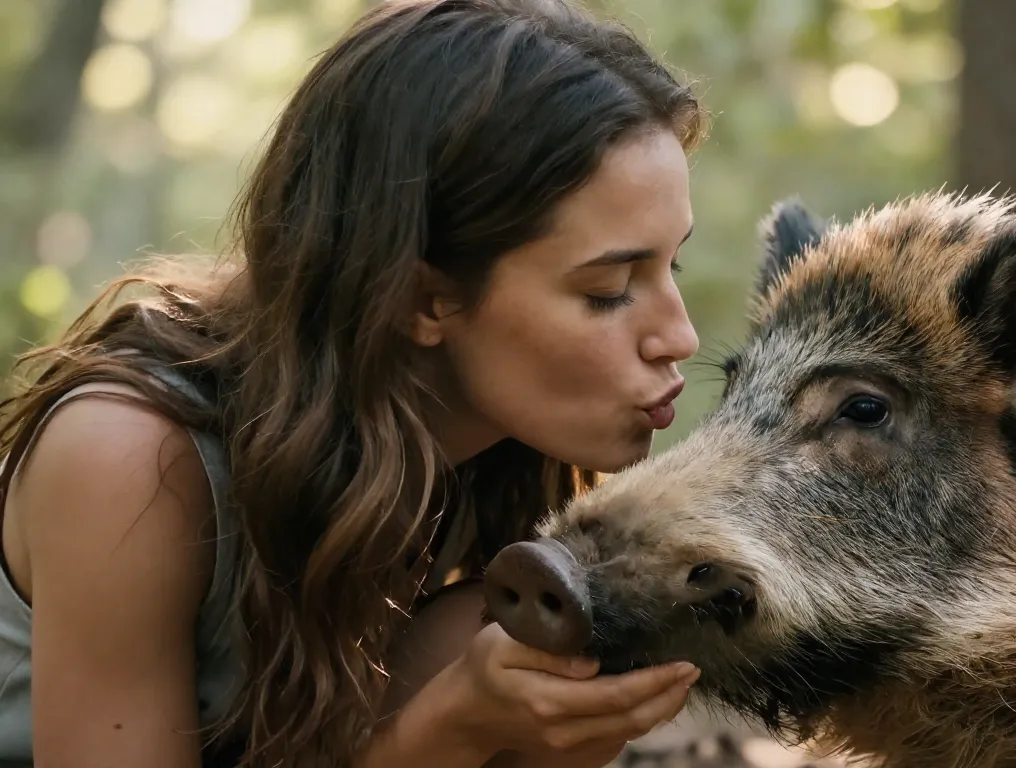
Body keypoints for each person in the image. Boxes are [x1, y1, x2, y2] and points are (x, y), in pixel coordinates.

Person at [0, 0, 709, 765]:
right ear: (423, 298)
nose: (681, 336)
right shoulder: (132, 460)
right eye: (608, 289)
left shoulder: (488, 472)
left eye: (672, 264)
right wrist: (452, 731)